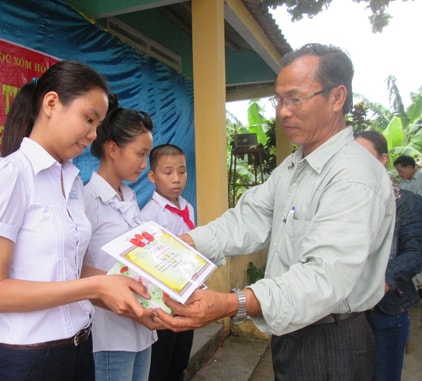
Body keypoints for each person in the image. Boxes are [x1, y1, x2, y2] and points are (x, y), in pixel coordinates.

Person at [154, 43, 396, 381]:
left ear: (337, 97)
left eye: (295, 98)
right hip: (292, 332)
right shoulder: (293, 168)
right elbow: (247, 219)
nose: (282, 112)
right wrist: (183, 244)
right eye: (279, 99)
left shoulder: (354, 177)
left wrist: (229, 303)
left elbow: (322, 278)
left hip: (333, 341)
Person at [0, 61, 152, 381]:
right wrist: (97, 286)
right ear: (52, 103)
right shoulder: (9, 175)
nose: (93, 134)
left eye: (98, 124)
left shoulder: (71, 183)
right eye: (89, 119)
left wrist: (141, 294)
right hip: (30, 359)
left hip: (79, 347)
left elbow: (69, 268)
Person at [83, 98, 157, 381]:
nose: (144, 164)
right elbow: (75, 268)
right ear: (112, 149)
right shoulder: (89, 200)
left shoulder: (129, 197)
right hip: (110, 334)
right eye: (140, 154)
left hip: (142, 328)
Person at [355, 130, 422, 381]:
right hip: (346, 314)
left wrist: (384, 280)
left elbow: (416, 252)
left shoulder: (407, 203)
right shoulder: (344, 204)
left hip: (388, 308)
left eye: (364, 156)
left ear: (383, 159)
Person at [140, 144, 195, 381]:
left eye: (182, 172)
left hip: (187, 296)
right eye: (168, 172)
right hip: (162, 303)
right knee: (160, 362)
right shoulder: (149, 215)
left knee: (180, 360)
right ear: (152, 176)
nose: (177, 179)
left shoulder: (188, 208)